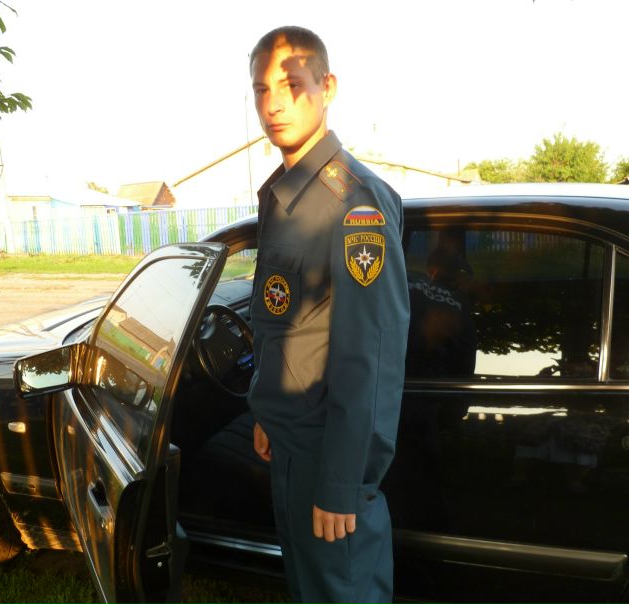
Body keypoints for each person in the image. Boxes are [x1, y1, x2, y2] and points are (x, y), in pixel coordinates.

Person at [246, 26, 410, 603]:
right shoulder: (288, 195)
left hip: (328, 458)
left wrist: (343, 483)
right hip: (291, 446)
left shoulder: (353, 203)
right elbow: (287, 324)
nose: (274, 103)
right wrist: (269, 412)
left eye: (291, 84)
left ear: (327, 87)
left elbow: (371, 354)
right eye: (261, 89)